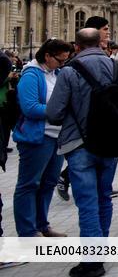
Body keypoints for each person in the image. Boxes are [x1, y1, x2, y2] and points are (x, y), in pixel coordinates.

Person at [46, 28, 118, 277]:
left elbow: (54, 113)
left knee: (87, 203)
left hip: (79, 144)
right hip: (111, 143)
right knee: (104, 197)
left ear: (77, 46)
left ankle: (92, 261)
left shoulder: (70, 71)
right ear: (101, 43)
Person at [13, 39, 71, 237]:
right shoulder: (31, 75)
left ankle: (42, 224)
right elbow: (29, 107)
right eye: (60, 60)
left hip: (57, 136)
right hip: (37, 137)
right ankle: (27, 231)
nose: (63, 64)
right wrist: (58, 111)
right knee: (29, 184)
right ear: (47, 56)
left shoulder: (57, 73)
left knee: (48, 183)